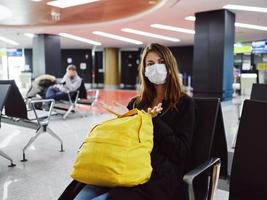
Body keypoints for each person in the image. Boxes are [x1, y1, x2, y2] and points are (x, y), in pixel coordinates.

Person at [58, 43, 195, 200]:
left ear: (170, 65)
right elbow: (125, 139)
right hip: (123, 164)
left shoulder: (184, 103)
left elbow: (180, 152)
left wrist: (148, 119)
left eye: (161, 62)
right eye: (150, 64)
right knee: (78, 196)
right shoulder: (136, 103)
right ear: (144, 70)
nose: (156, 67)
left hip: (157, 174)